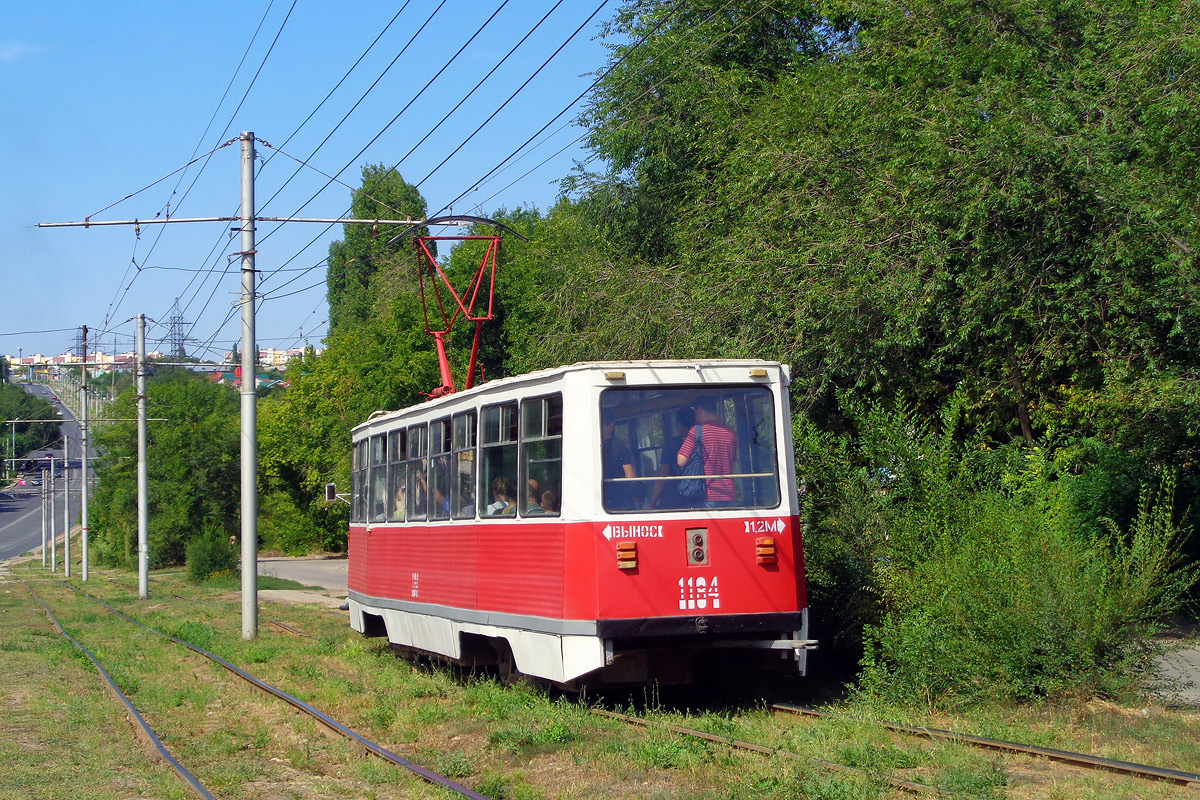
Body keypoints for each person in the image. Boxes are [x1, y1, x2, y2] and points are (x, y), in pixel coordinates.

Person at [676, 396, 738, 507]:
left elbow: (681, 461)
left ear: (700, 410)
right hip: (729, 493)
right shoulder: (730, 433)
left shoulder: (697, 431)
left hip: (707, 493)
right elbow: (732, 459)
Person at [648, 406, 695, 510]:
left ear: (679, 424)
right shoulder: (700, 443)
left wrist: (652, 501)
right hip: (698, 498)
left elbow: (663, 475)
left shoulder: (671, 445)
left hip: (674, 498)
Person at [601, 409, 636, 510]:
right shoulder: (620, 444)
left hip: (601, 496)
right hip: (621, 500)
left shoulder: (589, 446)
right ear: (612, 425)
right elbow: (631, 476)